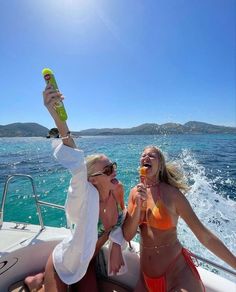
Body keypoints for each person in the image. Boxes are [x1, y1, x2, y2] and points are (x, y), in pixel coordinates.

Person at [25, 84, 127, 292]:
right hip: (66, 262)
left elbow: (121, 219)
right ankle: (36, 281)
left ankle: (39, 279)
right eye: (107, 170)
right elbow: (76, 160)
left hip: (87, 263)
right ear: (92, 180)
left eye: (113, 166)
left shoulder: (117, 191)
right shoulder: (85, 194)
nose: (113, 172)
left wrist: (117, 244)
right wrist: (58, 117)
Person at [122, 145, 236, 292]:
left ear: (160, 165)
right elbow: (128, 235)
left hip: (177, 273)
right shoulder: (134, 193)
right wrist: (138, 205)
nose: (146, 157)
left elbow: (203, 235)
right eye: (143, 155)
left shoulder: (173, 195)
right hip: (146, 277)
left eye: (152, 155)